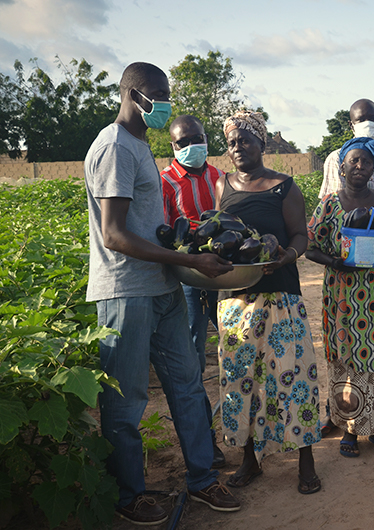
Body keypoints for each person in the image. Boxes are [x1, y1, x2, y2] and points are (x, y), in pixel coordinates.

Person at [84, 62, 240, 526]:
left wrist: (187, 247)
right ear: (134, 94)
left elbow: (148, 224)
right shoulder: (114, 147)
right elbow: (114, 235)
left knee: (188, 384)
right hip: (125, 293)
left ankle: (201, 477)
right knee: (126, 400)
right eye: (158, 94)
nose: (165, 103)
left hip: (162, 286)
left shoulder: (136, 145)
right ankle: (129, 494)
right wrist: (191, 261)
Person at [214, 110, 322, 495]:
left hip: (281, 295)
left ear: (261, 143)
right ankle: (249, 459)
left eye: (245, 139)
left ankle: (305, 461)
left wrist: (286, 257)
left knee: (293, 378)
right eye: (231, 142)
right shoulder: (222, 186)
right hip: (235, 301)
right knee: (240, 381)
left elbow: (299, 237)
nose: (237, 147)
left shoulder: (284, 187)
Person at [306, 137, 374, 457]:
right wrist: (334, 261)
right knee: (346, 361)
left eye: (366, 162)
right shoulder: (328, 205)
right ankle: (349, 429)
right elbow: (308, 246)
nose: (360, 167)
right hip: (342, 298)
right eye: (354, 161)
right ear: (342, 168)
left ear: (373, 168)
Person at [160, 114, 226, 469]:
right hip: (188, 282)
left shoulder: (219, 176)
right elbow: (164, 234)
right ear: (173, 146)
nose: (190, 147)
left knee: (237, 347)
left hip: (225, 276)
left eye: (196, 139)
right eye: (183, 142)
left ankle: (243, 430)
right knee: (192, 362)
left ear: (205, 139)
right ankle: (207, 440)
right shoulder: (166, 182)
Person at [318, 98, 374, 198]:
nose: (368, 124)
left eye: (373, 119)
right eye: (361, 120)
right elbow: (334, 203)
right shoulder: (337, 158)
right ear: (351, 125)